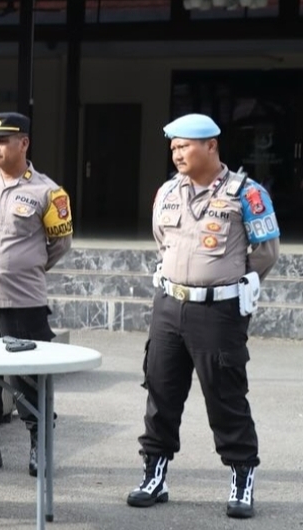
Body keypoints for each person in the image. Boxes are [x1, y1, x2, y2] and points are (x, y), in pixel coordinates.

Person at [127, 113, 279, 519]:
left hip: (218, 311)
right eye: (173, 147)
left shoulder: (247, 194)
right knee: (160, 391)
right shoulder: (167, 192)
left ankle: (242, 478)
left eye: (184, 146)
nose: (176, 153)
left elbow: (265, 253)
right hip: (168, 307)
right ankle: (154, 475)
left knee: (225, 396)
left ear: (211, 145)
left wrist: (225, 283)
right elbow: (163, 241)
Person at [0, 112, 73, 477]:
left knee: (28, 375)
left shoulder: (48, 193)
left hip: (23, 299)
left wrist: (23, 267)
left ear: (24, 143)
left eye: (3, 140)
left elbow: (60, 244)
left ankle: (40, 445)